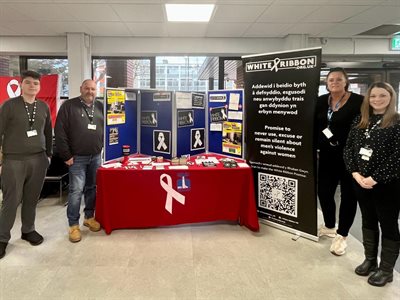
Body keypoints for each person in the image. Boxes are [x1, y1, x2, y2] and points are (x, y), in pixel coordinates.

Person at [344, 82, 400, 287]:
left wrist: (376, 178)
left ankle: (386, 270)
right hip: (361, 182)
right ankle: (370, 261)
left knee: (388, 225)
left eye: (382, 95)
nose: (377, 99)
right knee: (368, 221)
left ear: (391, 97)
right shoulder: (361, 120)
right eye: (373, 96)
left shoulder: (397, 122)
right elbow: (348, 148)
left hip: (387, 185)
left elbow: (398, 156)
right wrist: (355, 173)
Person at [0, 70, 52, 259]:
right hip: (14, 160)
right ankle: (2, 238)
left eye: (36, 84)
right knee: (11, 201)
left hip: (38, 159)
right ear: (21, 85)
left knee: (31, 198)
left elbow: (47, 131)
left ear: (39, 87)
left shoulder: (44, 107)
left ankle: (28, 230)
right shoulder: (9, 106)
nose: (32, 86)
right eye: (28, 83)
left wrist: (49, 155)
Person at [315, 67, 364, 255]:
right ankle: (329, 225)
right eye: (331, 80)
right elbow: (316, 126)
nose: (334, 82)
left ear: (346, 82)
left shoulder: (358, 101)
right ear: (327, 83)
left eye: (338, 79)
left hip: (350, 156)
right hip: (327, 156)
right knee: (324, 192)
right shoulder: (321, 101)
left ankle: (342, 235)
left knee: (348, 196)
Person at [55, 79, 104, 243]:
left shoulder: (100, 106)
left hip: (96, 156)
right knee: (76, 191)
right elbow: (60, 132)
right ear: (81, 88)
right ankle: (73, 225)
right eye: (87, 88)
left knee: (92, 188)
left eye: (93, 89)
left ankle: (89, 217)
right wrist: (66, 155)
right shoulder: (69, 106)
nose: (90, 91)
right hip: (76, 158)